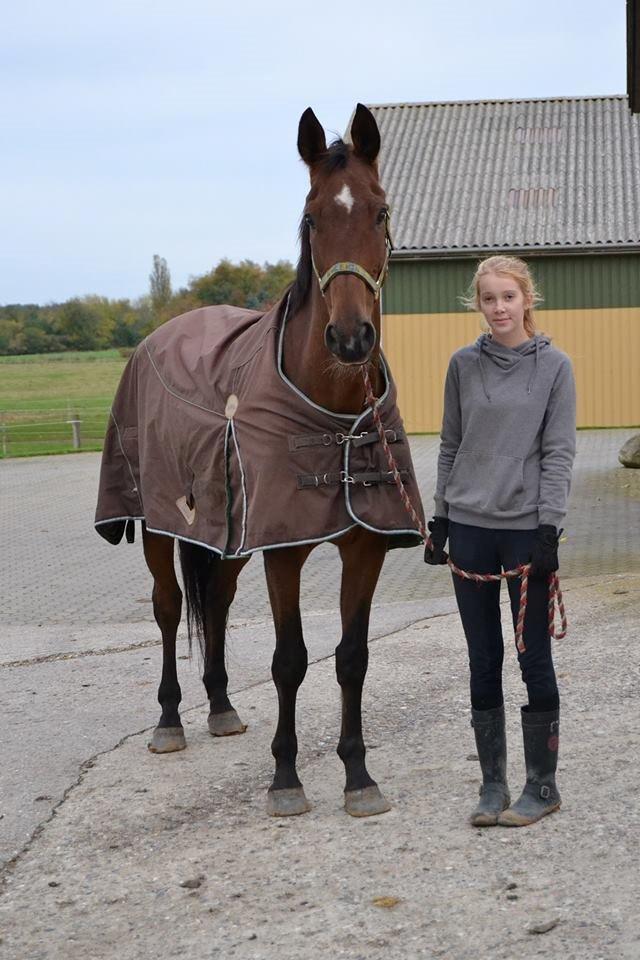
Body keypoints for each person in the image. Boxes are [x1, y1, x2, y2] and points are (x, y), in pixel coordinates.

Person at [425, 255, 576, 827]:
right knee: (482, 659)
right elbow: (448, 443)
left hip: (523, 535)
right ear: (478, 303)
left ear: (526, 299)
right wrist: (441, 518)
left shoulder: (555, 367)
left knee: (532, 655)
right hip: (469, 530)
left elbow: (559, 452)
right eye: (488, 298)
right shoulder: (463, 365)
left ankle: (543, 785)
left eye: (507, 297)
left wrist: (549, 528)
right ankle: (493, 785)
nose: (498, 308)